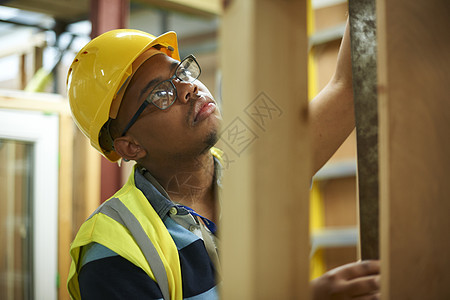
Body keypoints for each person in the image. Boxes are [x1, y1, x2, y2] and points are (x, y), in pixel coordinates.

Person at [66, 19, 380, 300]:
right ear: (131, 146)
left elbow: (349, 87)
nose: (188, 87)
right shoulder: (113, 244)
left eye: (180, 71)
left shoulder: (251, 164)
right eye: (160, 94)